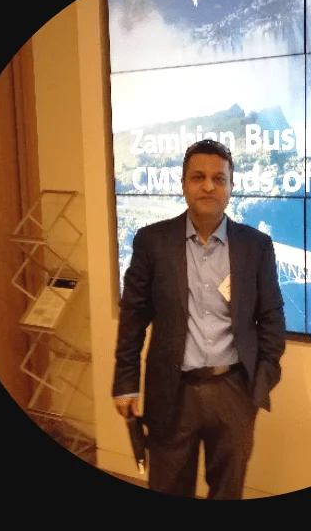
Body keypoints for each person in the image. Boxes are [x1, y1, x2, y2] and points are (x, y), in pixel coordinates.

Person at [112, 138, 287, 500]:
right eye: (198, 177)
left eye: (219, 179)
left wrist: (259, 383)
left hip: (234, 392)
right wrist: (126, 381)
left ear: (231, 187)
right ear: (183, 184)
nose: (209, 186)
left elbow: (271, 318)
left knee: (227, 492)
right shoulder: (152, 241)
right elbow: (133, 317)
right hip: (171, 392)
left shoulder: (256, 246)